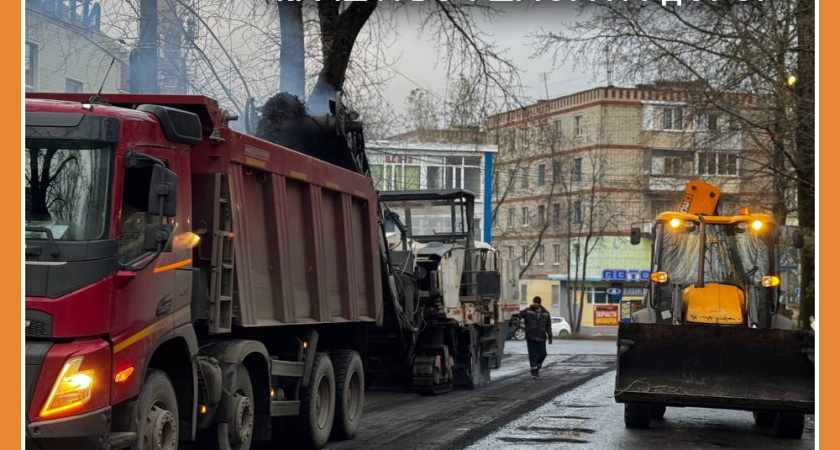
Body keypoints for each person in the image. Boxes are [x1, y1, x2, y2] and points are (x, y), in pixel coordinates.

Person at [520, 296, 552, 378]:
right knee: (532, 355)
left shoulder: (545, 313)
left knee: (543, 354)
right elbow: (519, 315)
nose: (534, 304)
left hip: (541, 337)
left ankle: (537, 366)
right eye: (534, 302)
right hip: (531, 337)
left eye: (536, 303)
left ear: (539, 303)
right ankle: (534, 372)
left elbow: (548, 325)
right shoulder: (527, 311)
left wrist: (550, 335)